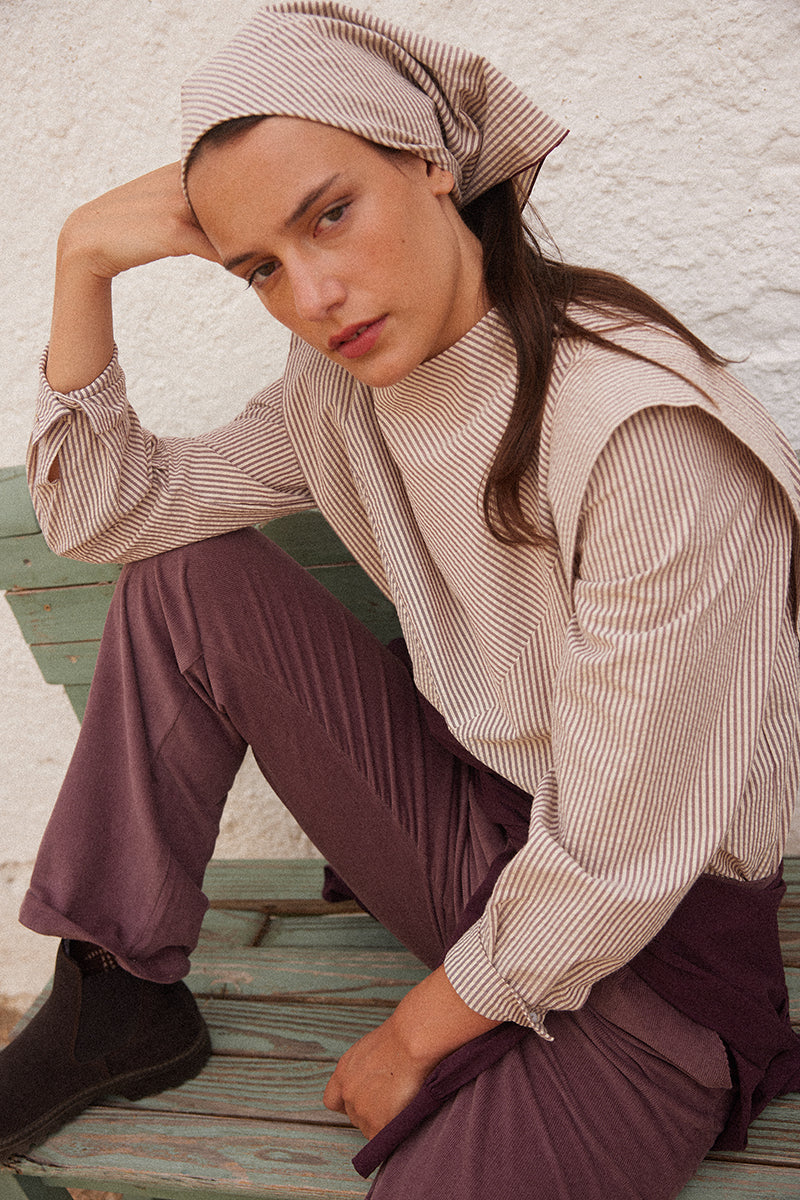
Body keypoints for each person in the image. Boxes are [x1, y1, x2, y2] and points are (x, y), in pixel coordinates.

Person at [2, 2, 800, 1196]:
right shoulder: (342, 392)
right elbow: (113, 517)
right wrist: (82, 261)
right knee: (185, 574)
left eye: (329, 213)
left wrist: (413, 1034)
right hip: (475, 846)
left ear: (428, 160)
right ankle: (117, 996)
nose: (315, 294)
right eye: (261, 267)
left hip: (651, 954)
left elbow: (616, 856)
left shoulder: (640, 439)